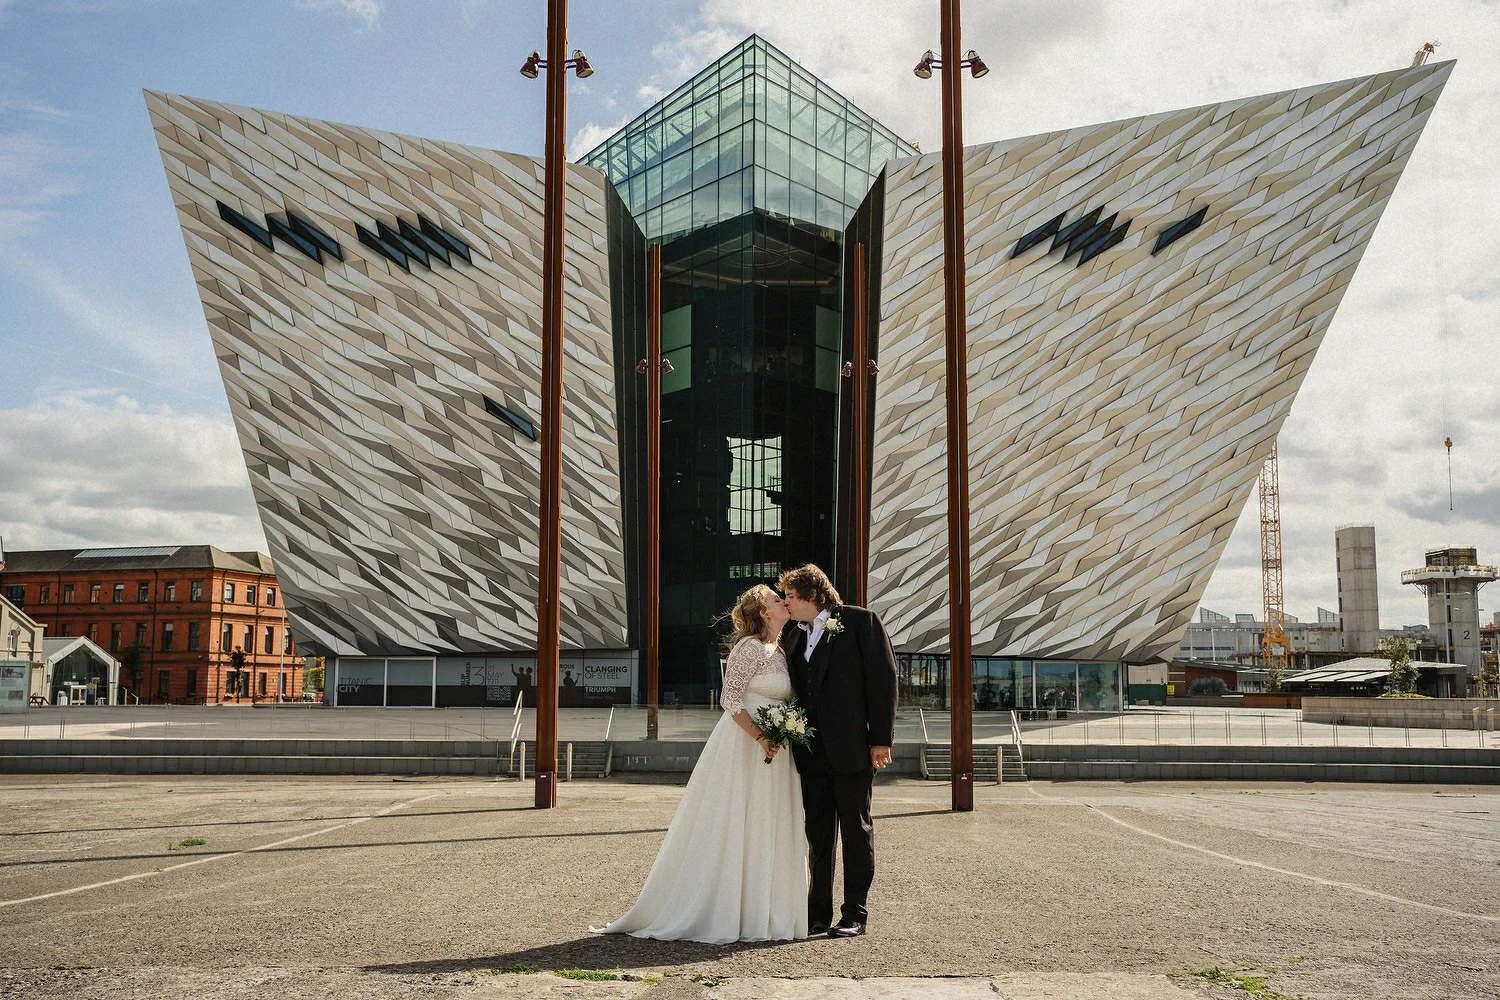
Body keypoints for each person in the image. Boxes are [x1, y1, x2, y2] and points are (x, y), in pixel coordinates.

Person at [593, 584, 808, 943]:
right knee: (735, 821)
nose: (782, 600)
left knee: (766, 822)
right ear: (763, 613)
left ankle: (763, 909)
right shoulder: (750, 647)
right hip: (745, 746)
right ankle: (725, 908)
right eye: (775, 598)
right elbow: (730, 698)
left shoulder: (779, 650)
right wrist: (760, 736)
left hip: (775, 750)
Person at [779, 564, 898, 939]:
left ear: (814, 595)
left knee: (855, 831)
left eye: (791, 596)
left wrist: (881, 739)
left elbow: (883, 682)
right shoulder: (792, 636)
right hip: (810, 753)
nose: (786, 603)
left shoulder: (862, 622)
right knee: (817, 835)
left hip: (852, 750)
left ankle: (855, 915)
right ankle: (817, 916)